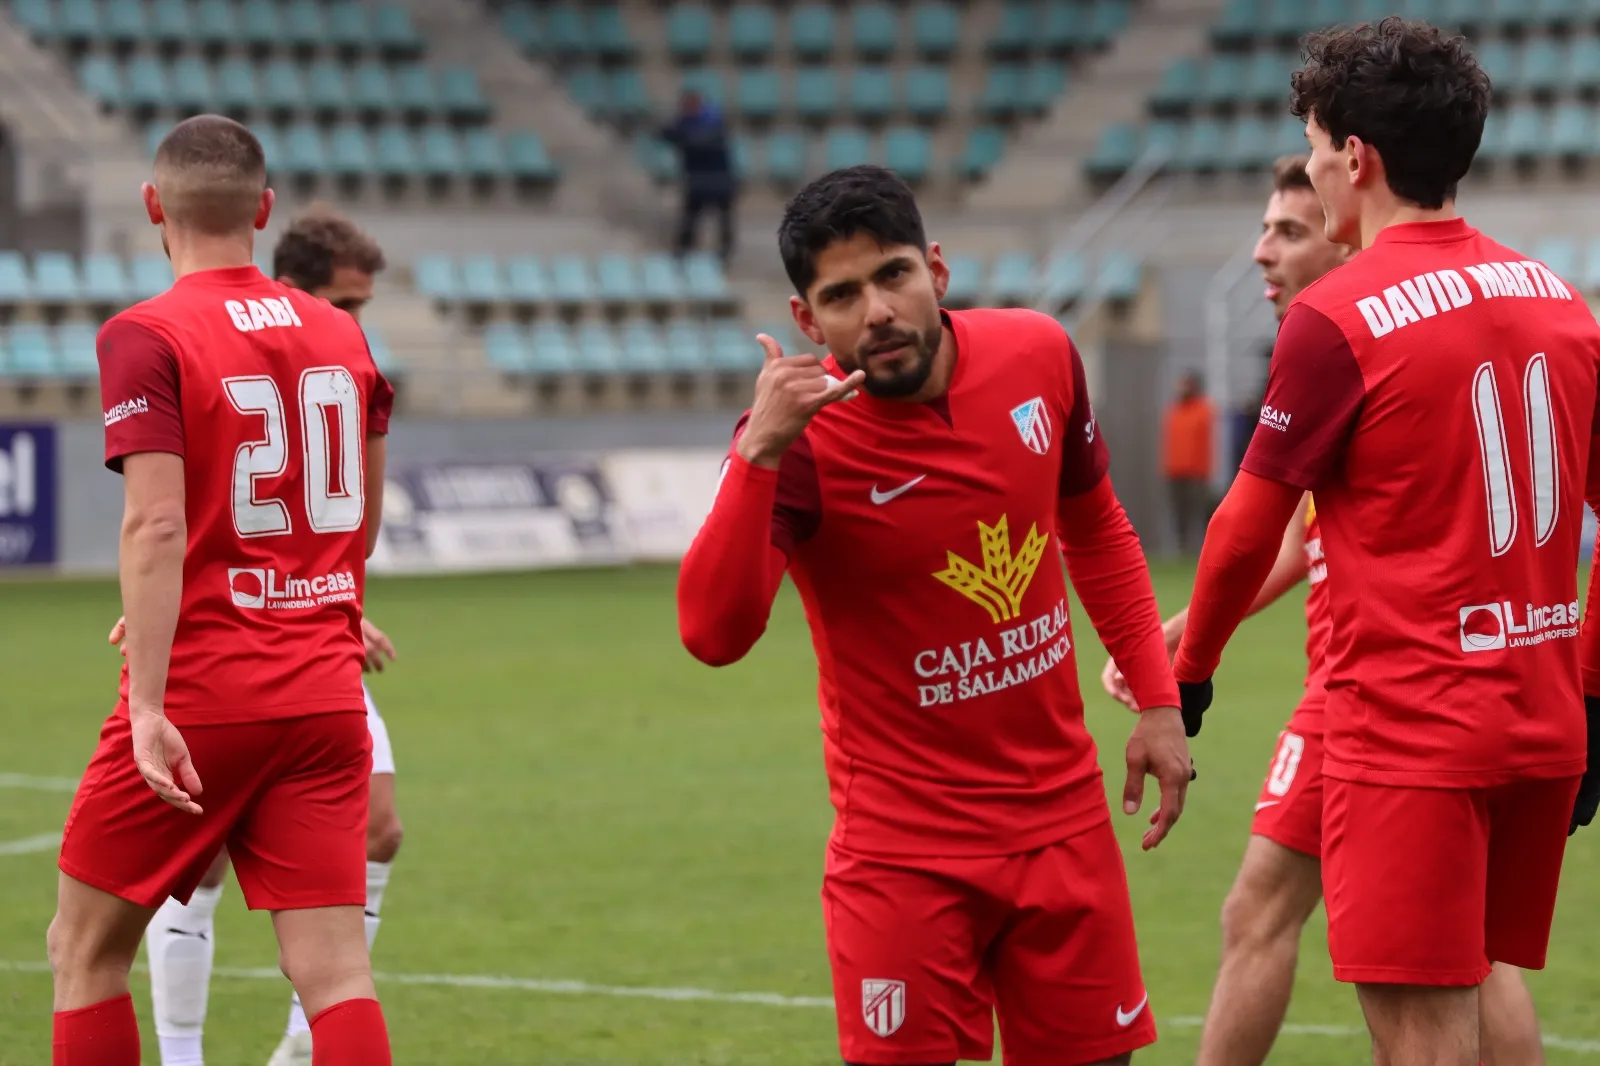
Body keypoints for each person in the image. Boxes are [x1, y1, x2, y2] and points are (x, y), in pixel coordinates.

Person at [676, 165, 1192, 1066]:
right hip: (903, 854)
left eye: (894, 274)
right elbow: (713, 636)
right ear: (807, 321)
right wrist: (758, 452)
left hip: (1065, 824)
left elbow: (1097, 527)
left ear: (937, 270)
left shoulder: (1039, 353)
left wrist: (1158, 701)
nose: (877, 311)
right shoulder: (800, 446)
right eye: (842, 295)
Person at [1168, 21, 1600, 1066]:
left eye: (1315, 149)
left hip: (1410, 736)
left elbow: (1244, 525)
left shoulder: (1337, 315)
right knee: (1476, 982)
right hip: (1539, 725)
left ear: (1354, 157)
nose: (1315, 170)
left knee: (1420, 1038)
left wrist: (1189, 670)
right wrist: (1593, 696)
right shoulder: (1562, 302)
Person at [1102, 154, 1547, 1066]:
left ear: (1348, 232)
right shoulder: (1435, 325)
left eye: (1290, 230)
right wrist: (1195, 624)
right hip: (1458, 687)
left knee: (1415, 972)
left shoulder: (1351, 331)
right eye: (1265, 228)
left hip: (1385, 694)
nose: (1262, 252)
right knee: (1420, 947)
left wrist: (1190, 668)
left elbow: (1252, 527)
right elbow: (1300, 537)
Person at [47, 115, 394, 1066]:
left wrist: (149, 704)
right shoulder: (341, 333)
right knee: (336, 972)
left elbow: (156, 526)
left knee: (84, 952)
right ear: (265, 209)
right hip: (325, 692)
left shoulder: (144, 333)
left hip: (207, 693)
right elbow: (356, 530)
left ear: (152, 206)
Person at [660, 90, 735, 265]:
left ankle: (724, 253)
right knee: (690, 218)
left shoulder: (712, 120)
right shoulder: (685, 122)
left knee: (723, 219)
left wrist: (683, 137)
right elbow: (665, 133)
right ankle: (683, 253)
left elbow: (702, 140)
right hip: (697, 179)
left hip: (718, 178)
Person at [1162, 371, 1215, 553]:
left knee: (1197, 512)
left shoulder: (1203, 410)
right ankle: (1180, 548)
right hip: (1174, 471)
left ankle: (1201, 548)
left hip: (1196, 472)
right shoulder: (1173, 410)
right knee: (1178, 513)